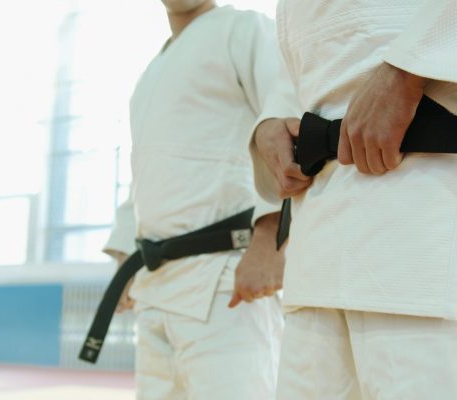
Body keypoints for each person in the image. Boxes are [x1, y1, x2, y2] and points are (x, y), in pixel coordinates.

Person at [251, 1, 457, 398]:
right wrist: (273, 119)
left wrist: (408, 70)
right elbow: (310, 47)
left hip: (434, 212)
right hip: (318, 240)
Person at [102, 1, 299, 399]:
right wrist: (125, 253)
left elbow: (284, 122)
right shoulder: (150, 72)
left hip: (225, 280)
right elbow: (145, 171)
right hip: (155, 286)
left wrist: (270, 239)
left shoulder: (243, 30)